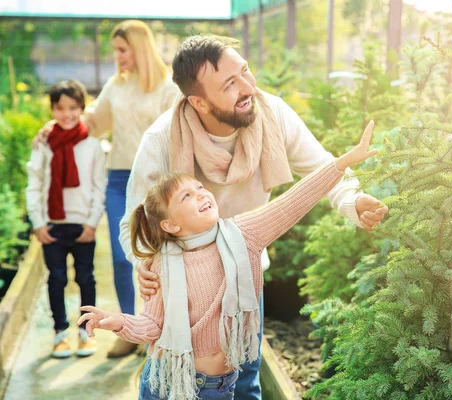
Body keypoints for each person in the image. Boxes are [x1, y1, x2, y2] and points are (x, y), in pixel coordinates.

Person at [120, 34, 388, 399]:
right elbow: (132, 222)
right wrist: (146, 262)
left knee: (244, 381)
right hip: (184, 286)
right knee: (167, 377)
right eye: (230, 84)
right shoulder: (162, 139)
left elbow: (321, 170)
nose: (248, 87)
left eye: (245, 72)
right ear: (197, 101)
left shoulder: (271, 113)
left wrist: (352, 201)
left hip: (244, 278)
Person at [78, 122, 378, 400]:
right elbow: (152, 326)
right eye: (186, 197)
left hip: (219, 387)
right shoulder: (163, 264)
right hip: (169, 383)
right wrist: (118, 322)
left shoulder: (244, 234)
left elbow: (293, 202)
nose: (201, 195)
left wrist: (341, 163)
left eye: (199, 188)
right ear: (170, 225)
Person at [35, 20, 181, 358]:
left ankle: (156, 330)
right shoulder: (116, 85)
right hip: (119, 179)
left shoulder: (168, 87)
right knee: (121, 256)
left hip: (158, 183)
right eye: (115, 50)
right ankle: (129, 329)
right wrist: (52, 126)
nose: (116, 56)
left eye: (121, 50)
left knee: (161, 257)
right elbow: (92, 123)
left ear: (139, 48)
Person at [26, 80, 107, 358]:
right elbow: (34, 184)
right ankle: (60, 332)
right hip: (52, 226)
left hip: (83, 225)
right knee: (56, 278)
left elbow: (99, 187)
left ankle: (86, 332)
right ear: (52, 110)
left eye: (73, 108)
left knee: (86, 278)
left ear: (82, 108)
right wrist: (38, 222)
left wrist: (92, 222)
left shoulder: (93, 146)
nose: (67, 114)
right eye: (60, 108)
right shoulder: (44, 145)